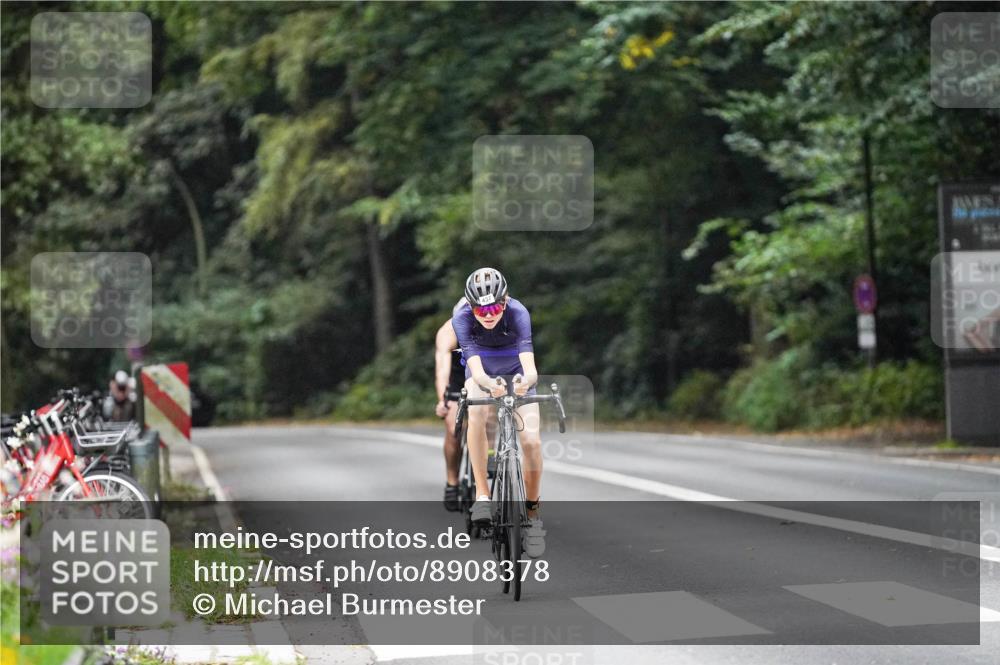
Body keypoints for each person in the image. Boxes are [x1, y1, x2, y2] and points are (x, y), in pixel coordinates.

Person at [451, 267, 546, 558]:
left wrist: (523, 383)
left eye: (494, 307)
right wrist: (488, 384)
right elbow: (475, 370)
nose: (488, 314)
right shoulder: (461, 317)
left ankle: (532, 516)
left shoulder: (518, 312)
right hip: (482, 369)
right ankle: (482, 494)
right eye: (481, 309)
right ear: (471, 307)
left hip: (516, 370)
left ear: (504, 302)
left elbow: (531, 369)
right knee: (477, 410)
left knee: (532, 442)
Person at [434, 318, 466, 511]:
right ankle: (452, 481)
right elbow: (442, 371)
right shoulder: (448, 332)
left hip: (485, 378)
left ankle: (489, 454)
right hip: (456, 381)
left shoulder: (493, 324)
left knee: (489, 417)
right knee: (454, 427)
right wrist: (443, 401)